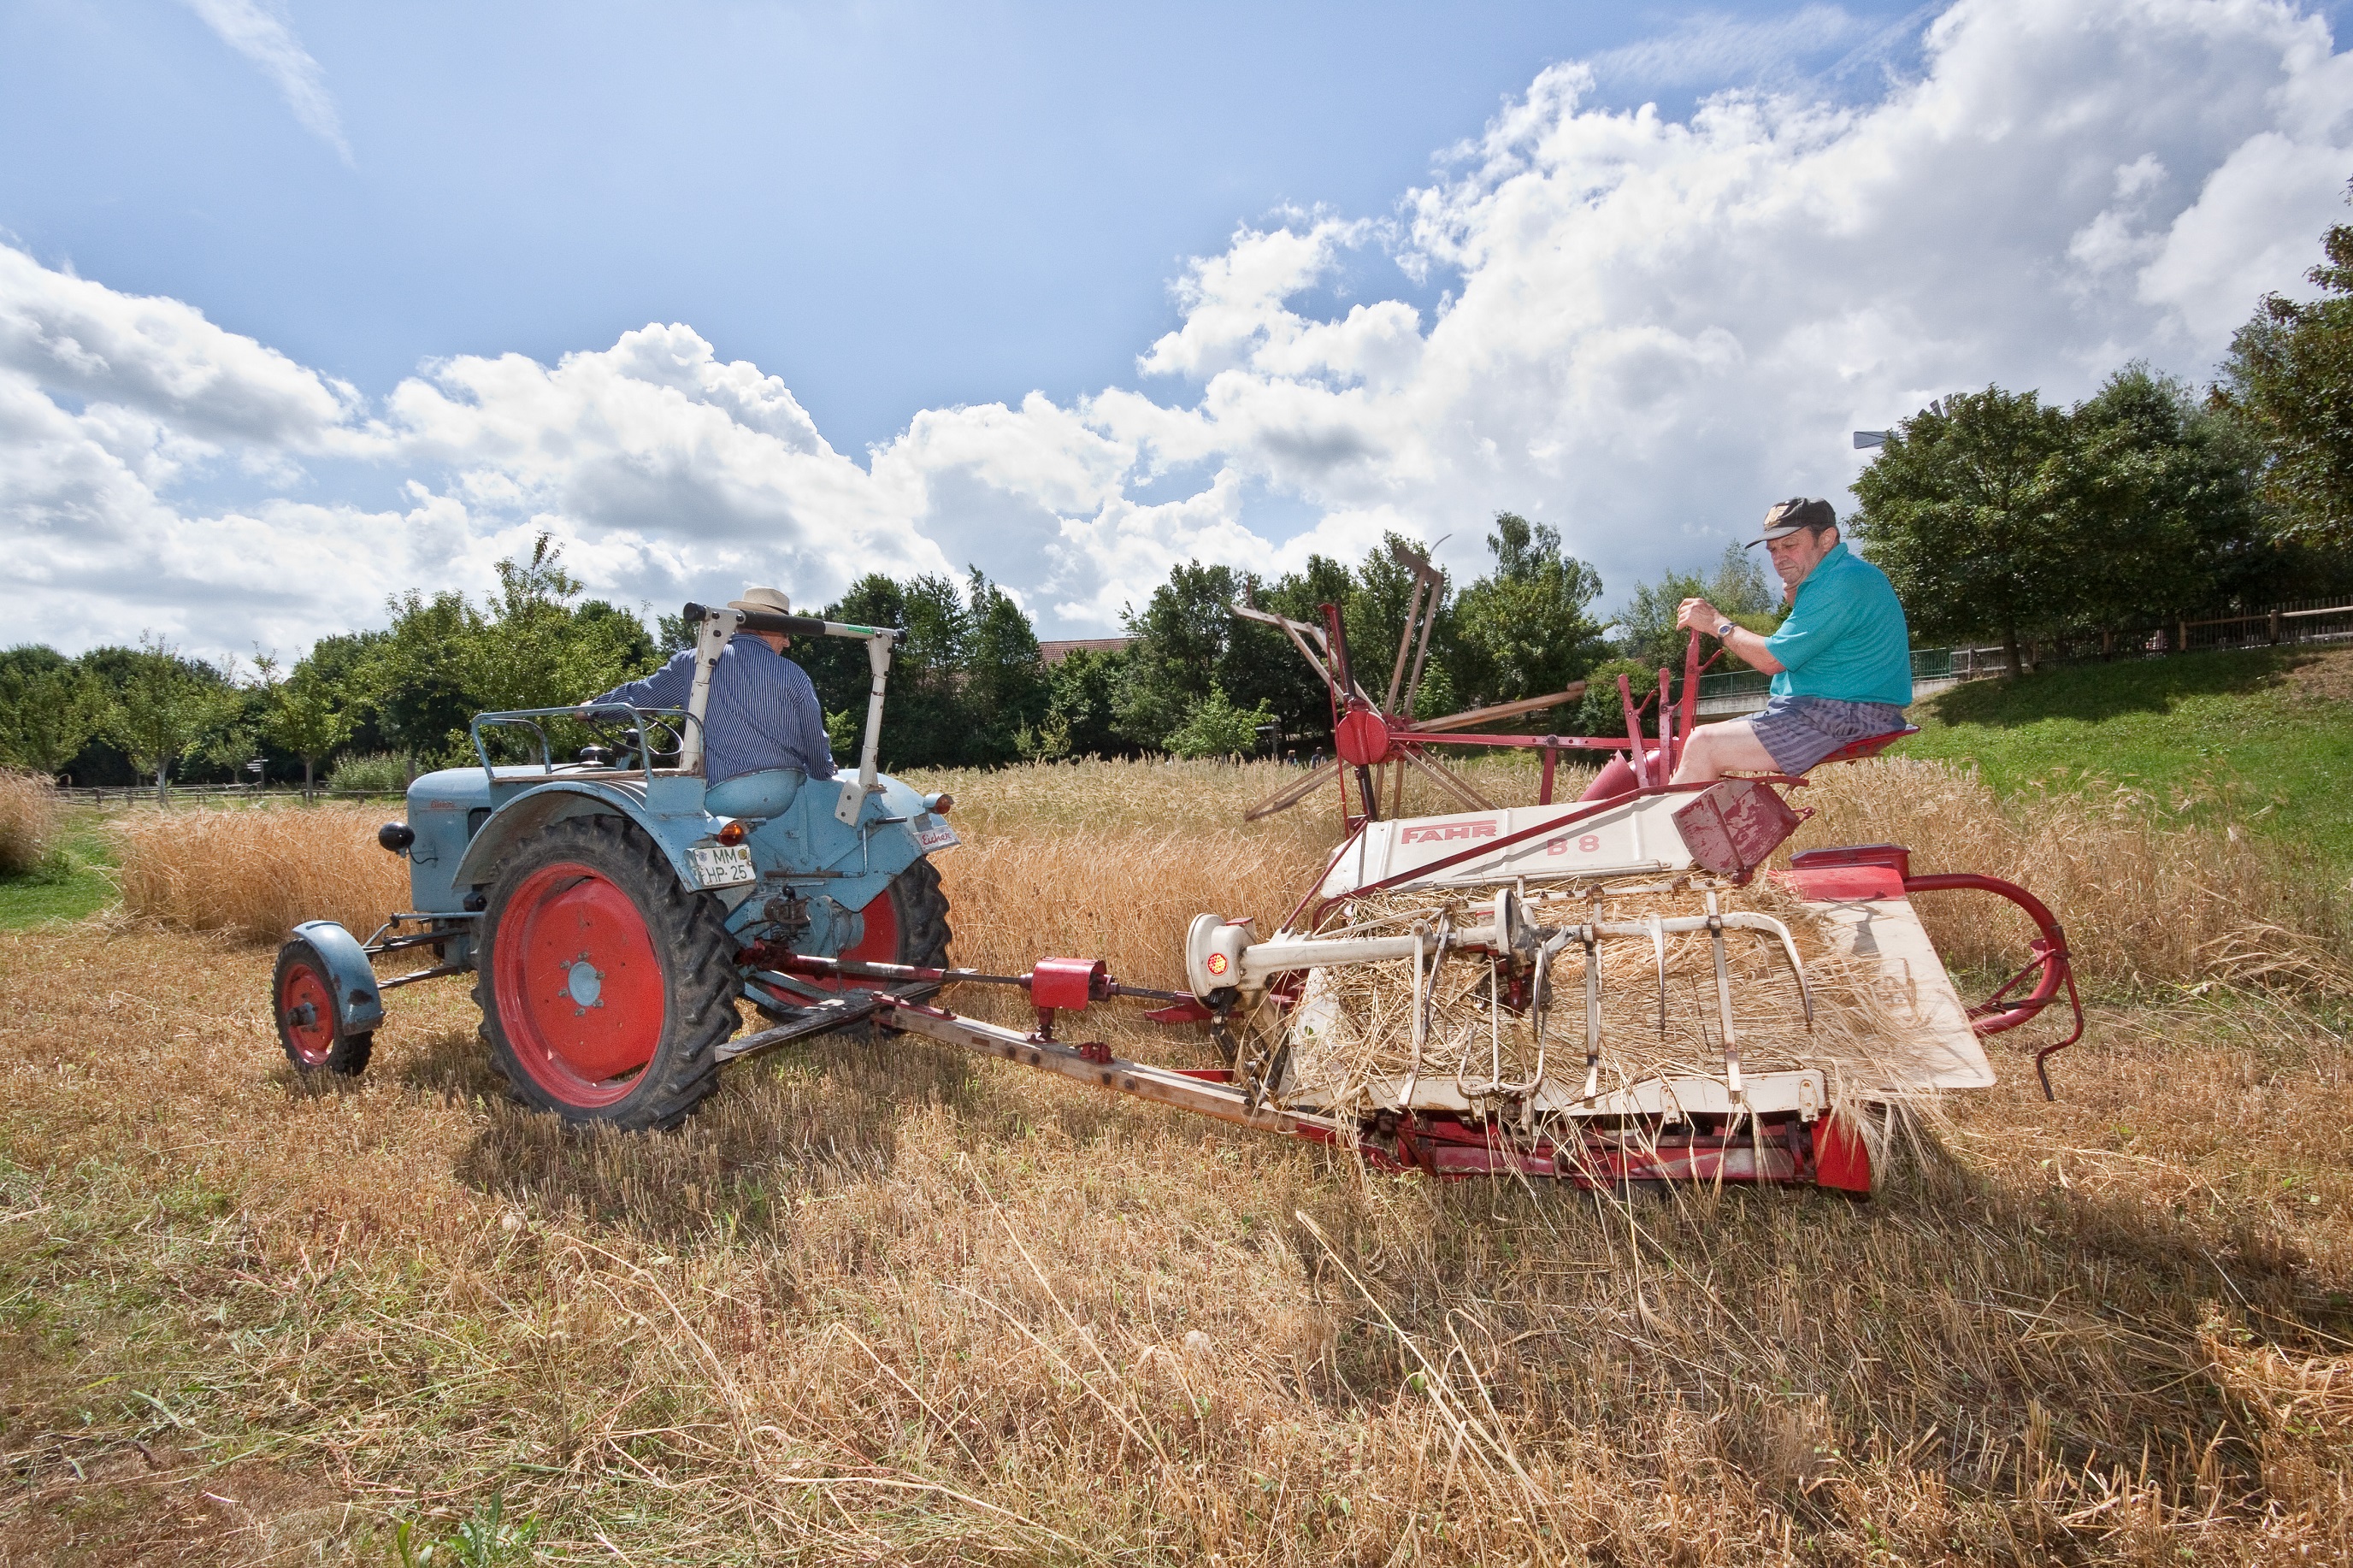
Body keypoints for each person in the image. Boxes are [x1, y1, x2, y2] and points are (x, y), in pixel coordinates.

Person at [1670, 498, 1910, 784]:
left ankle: (1665, 829)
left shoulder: (1843, 581)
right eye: (1773, 549)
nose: (1778, 557)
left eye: (1790, 545)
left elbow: (1771, 660)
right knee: (1695, 747)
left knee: (1703, 745)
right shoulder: (1839, 577)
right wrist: (1799, 597)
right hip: (1827, 710)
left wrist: (1716, 623)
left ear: (1827, 539)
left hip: (1845, 714)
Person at [586, 587, 835, 811]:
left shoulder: (695, 662)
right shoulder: (794, 674)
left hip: (723, 794)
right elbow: (814, 736)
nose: (788, 642)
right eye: (785, 633)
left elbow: (641, 695)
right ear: (767, 628)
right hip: (783, 794)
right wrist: (823, 773)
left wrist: (594, 709)